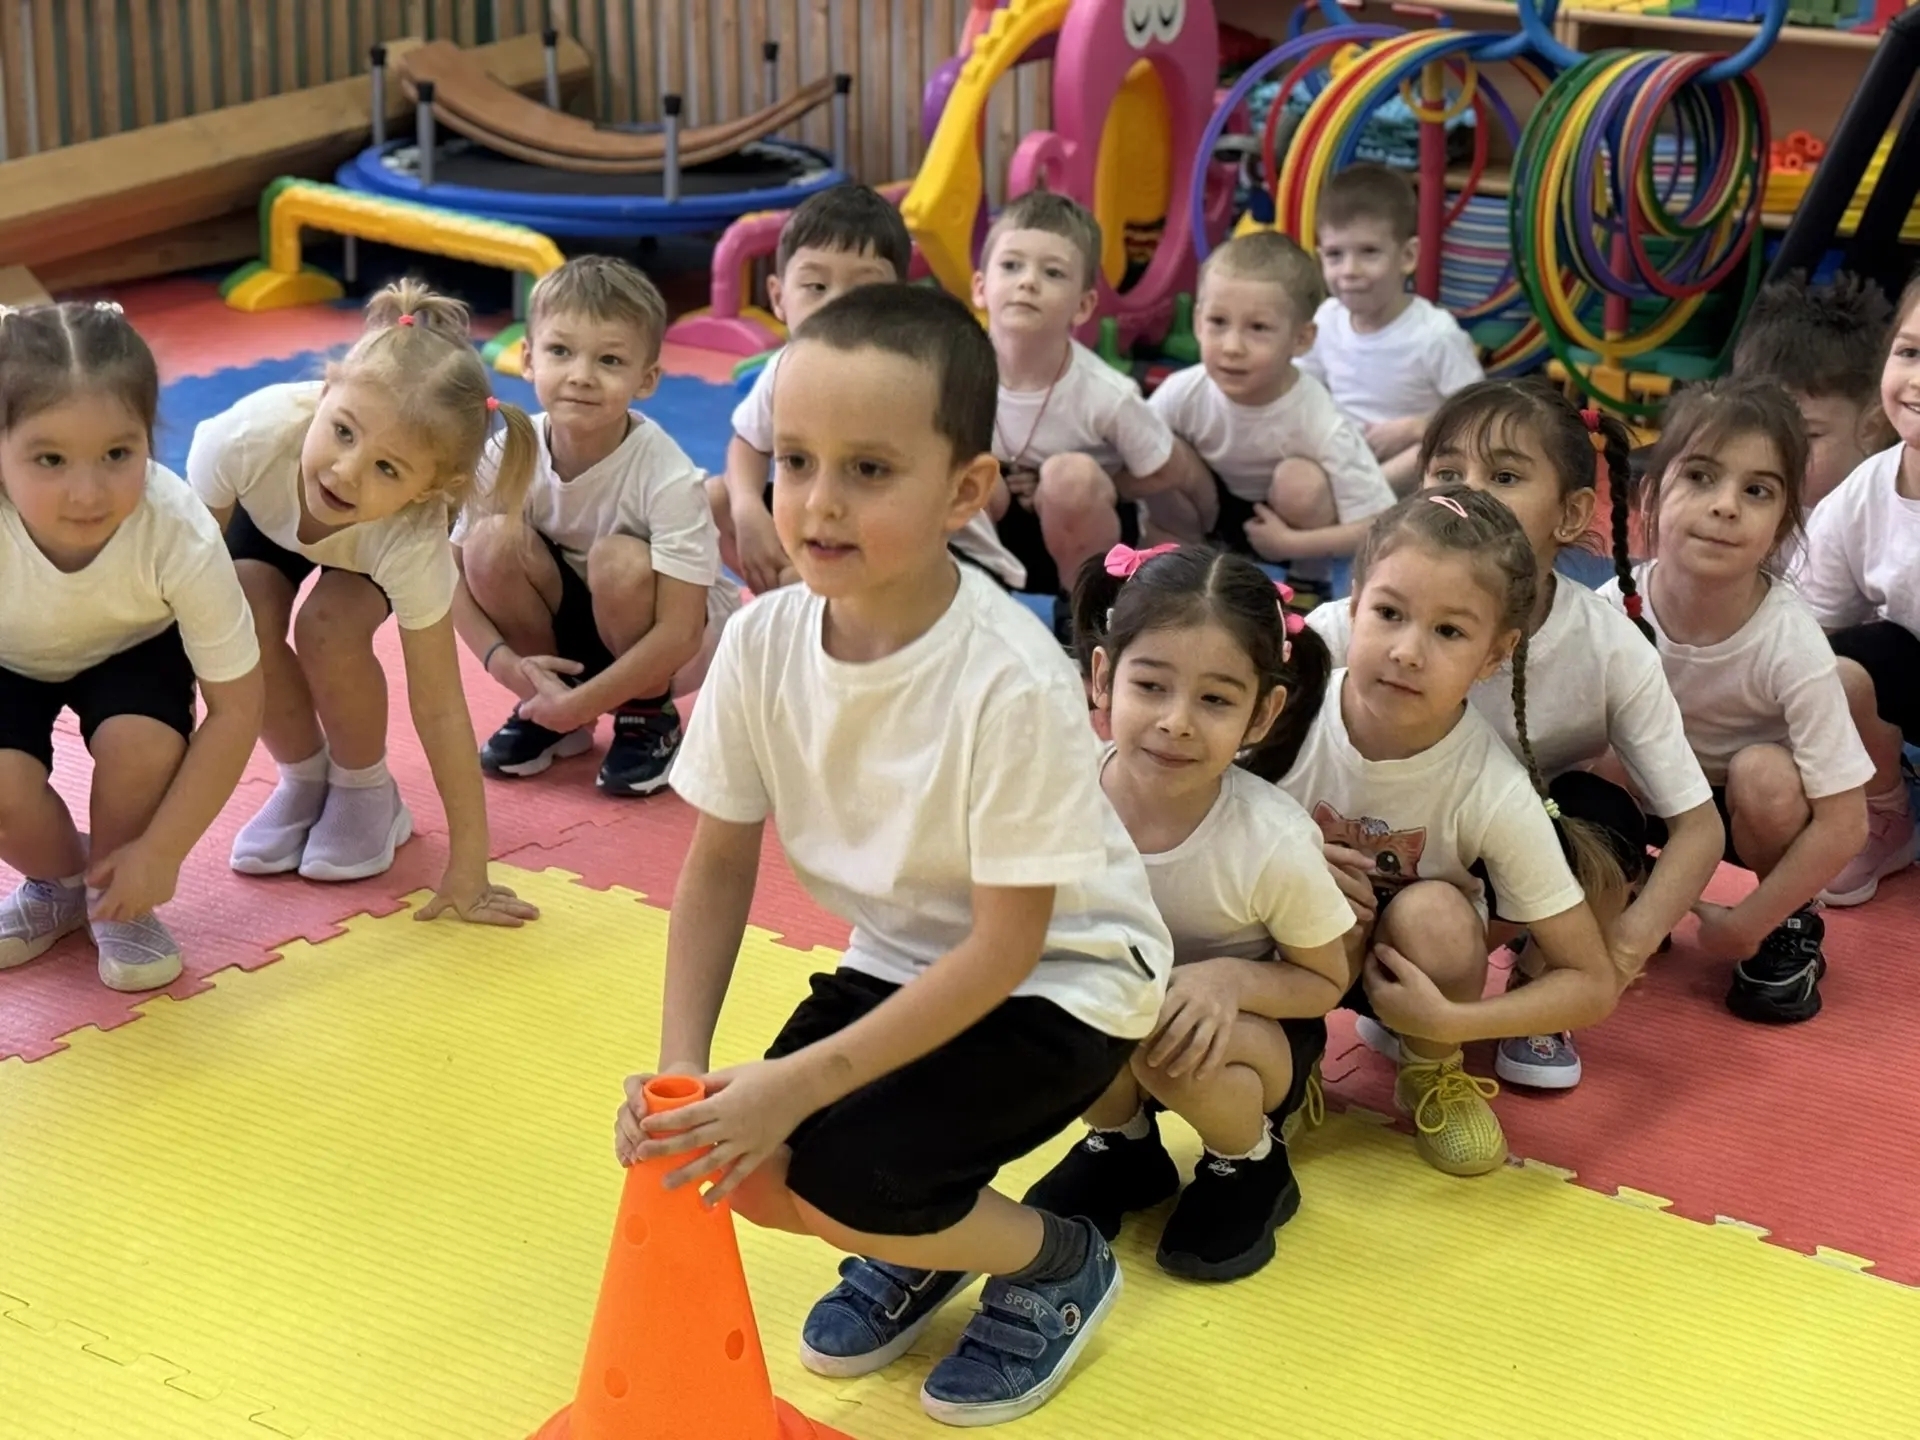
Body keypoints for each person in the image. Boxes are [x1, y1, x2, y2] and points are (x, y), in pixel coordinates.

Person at [615, 284, 1173, 1427]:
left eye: (869, 470)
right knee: (740, 1166)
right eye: (797, 461)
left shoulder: (1008, 679)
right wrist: (684, 1081)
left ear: (965, 490)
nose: (819, 502)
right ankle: (922, 1237)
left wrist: (795, 1084)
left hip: (1064, 978)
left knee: (851, 1181)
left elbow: (1005, 949)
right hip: (905, 957)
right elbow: (718, 865)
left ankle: (1057, 1260)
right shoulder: (761, 642)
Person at [1311, 379, 1723, 1089]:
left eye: (1504, 476)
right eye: (1448, 474)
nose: (1472, 494)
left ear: (1571, 514)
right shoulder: (1353, 631)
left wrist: (1615, 954)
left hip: (1503, 867)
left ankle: (1531, 990)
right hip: (1372, 860)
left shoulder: (1609, 649)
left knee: (1602, 815)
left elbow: (1699, 827)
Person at [1022, 543, 1352, 1282]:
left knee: (1152, 1027)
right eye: (1151, 685)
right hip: (1119, 1007)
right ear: (1102, 677)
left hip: (1248, 1038)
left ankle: (1249, 1162)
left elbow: (1325, 980)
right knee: (1050, 1002)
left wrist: (1229, 981)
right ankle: (1123, 1145)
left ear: (1263, 712)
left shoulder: (1270, 840)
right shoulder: (1061, 789)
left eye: (1215, 700)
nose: (1176, 722)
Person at [1277, 487, 1619, 1175]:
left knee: (1436, 912)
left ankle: (1430, 1070)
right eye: (1389, 613)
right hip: (1291, 956)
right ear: (1353, 606)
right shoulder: (1284, 714)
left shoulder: (1491, 785)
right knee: (1279, 877)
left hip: (1416, 969)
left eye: (1449, 632)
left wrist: (1451, 1023)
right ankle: (1288, 1059)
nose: (1407, 651)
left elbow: (1591, 983)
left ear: (1495, 654)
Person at [187, 280, 538, 926]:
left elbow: (439, 705)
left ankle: (363, 787)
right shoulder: (242, 439)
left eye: (388, 467)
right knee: (240, 616)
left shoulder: (413, 534)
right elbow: (189, 602)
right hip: (269, 513)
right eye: (343, 431)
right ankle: (303, 776)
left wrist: (470, 867)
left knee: (329, 628)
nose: (346, 470)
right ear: (324, 393)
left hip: (368, 542)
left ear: (429, 490)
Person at [0, 301, 263, 991]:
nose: (87, 492)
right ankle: (61, 885)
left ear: (149, 438)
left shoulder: (179, 531)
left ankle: (119, 888)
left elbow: (238, 709)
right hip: (9, 659)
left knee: (140, 745)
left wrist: (161, 853)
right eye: (50, 459)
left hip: (134, 647)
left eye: (118, 454)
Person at [1602, 378, 1869, 1022]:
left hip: (1749, 814)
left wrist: (1749, 920)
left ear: (1782, 524)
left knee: (1764, 774)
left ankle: (1789, 923)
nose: (1725, 506)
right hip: (1656, 797)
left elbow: (1845, 824)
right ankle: (1626, 882)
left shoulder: (1790, 640)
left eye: (1757, 491)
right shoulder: (1614, 610)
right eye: (1700, 477)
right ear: (1650, 496)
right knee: (1590, 749)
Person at [452, 256, 740, 795]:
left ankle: (648, 718)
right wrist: (509, 668)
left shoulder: (666, 475)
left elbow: (680, 631)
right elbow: (446, 578)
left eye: (609, 360)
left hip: (676, 643)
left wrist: (584, 702)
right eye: (561, 351)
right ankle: (551, 707)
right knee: (488, 543)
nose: (581, 375)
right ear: (528, 359)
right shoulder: (507, 451)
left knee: (617, 560)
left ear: (646, 379)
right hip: (573, 631)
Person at [711, 182, 1024, 595]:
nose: (838, 305)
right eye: (816, 287)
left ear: (899, 299)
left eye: (863, 289)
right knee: (716, 499)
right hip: (841, 529)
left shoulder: (913, 373)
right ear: (779, 297)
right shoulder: (784, 369)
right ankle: (790, 595)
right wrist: (748, 508)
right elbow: (748, 443)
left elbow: (989, 494)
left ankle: (796, 595)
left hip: (949, 559)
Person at [974, 188, 1187, 630]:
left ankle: (1084, 609)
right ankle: (976, 597)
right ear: (980, 287)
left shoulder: (1105, 392)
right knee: (963, 470)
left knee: (1069, 478)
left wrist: (1105, 481)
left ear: (1084, 305)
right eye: (1011, 266)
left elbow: (1168, 468)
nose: (1028, 282)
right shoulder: (953, 371)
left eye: (1052, 272)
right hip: (998, 533)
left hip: (1085, 534)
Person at [1144, 231, 1394, 575]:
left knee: (1300, 483)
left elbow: (1379, 522)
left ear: (1301, 339)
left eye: (1258, 328)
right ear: (1198, 323)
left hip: (1284, 528)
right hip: (1208, 510)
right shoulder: (1183, 391)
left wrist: (1292, 544)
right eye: (1218, 322)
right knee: (1159, 451)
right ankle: (1178, 568)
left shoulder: (1318, 417)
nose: (1232, 347)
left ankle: (1305, 580)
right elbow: (1130, 453)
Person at [1791, 269, 1920, 907]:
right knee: (1833, 667)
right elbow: (1808, 630)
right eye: (1910, 352)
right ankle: (1888, 812)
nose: (1918, 378)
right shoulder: (1865, 490)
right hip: (1912, 673)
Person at [1299, 163, 1484, 494]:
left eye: (1369, 252)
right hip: (1346, 455)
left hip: (1413, 468)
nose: (1349, 270)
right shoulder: (1326, 319)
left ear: (1407, 256)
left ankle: (1361, 499)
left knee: (1434, 449)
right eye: (1335, 255)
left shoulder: (1435, 334)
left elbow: (1479, 415)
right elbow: (1301, 386)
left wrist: (1417, 427)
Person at [1731, 273, 1894, 511]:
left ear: (1872, 429)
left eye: (1807, 436)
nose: (1773, 456)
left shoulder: (1883, 522)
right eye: (1757, 430)